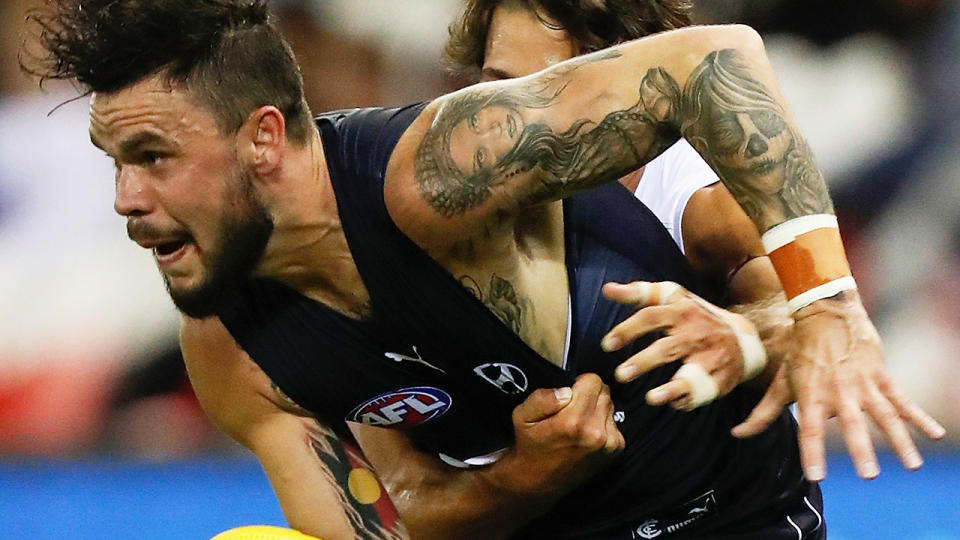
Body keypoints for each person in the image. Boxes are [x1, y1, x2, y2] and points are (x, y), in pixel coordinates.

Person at [22, 1, 943, 539]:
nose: (125, 200)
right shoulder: (231, 350)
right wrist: (520, 476)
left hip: (737, 517)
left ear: (263, 138)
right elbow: (399, 523)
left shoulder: (432, 176)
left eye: (152, 156)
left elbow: (715, 59)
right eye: (116, 162)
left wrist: (819, 308)